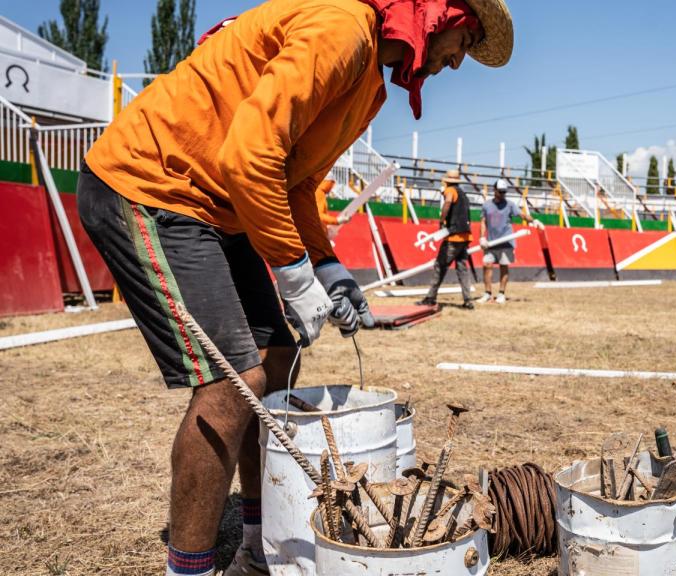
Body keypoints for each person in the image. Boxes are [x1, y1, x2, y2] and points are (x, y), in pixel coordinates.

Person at [75, 1, 513, 574]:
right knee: (234, 384)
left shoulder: (366, 85)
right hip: (153, 186)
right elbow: (251, 153)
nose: (458, 62)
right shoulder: (342, 28)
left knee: (277, 360)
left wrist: (327, 267)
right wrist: (291, 270)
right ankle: (188, 569)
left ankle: (261, 551)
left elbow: (296, 178)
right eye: (466, 39)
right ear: (438, 12)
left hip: (217, 204)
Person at [417, 169, 476, 309]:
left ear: (446, 181)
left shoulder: (450, 191)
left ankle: (430, 297)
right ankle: (468, 301)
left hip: (454, 237)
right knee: (462, 269)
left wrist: (442, 220)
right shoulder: (462, 193)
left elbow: (448, 202)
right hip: (465, 236)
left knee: (440, 266)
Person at [478, 178, 543, 303]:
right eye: (500, 192)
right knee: (487, 265)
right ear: (495, 190)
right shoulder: (486, 205)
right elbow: (483, 222)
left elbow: (522, 215)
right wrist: (481, 237)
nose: (503, 194)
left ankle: (501, 294)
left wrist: (533, 220)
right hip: (491, 242)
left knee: (504, 267)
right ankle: (487, 293)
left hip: (507, 242)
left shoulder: (510, 204)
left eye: (504, 192)